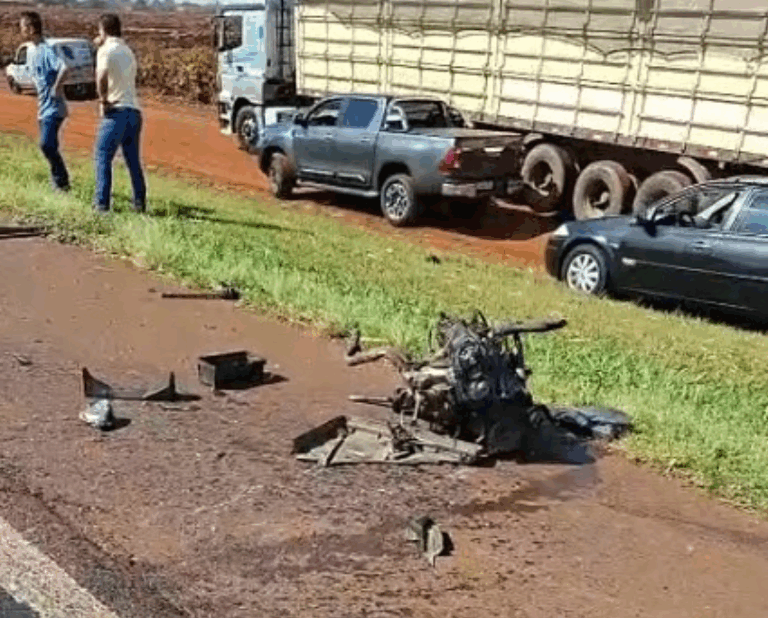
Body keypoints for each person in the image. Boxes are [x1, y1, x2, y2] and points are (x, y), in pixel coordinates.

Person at [93, 13, 146, 213]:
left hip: (116, 111)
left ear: (103, 30)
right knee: (133, 161)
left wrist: (103, 99)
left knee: (102, 156)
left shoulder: (106, 50)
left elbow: (101, 76)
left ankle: (101, 205)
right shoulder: (127, 50)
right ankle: (139, 203)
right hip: (134, 111)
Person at [20, 11, 72, 192]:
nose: (21, 30)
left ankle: (62, 181)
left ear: (32, 28)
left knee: (46, 144)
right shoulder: (30, 50)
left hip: (54, 108)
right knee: (49, 146)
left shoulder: (46, 49)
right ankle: (57, 183)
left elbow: (64, 68)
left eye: (23, 26)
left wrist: (56, 88)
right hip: (43, 107)